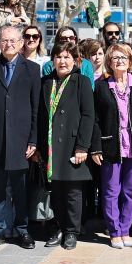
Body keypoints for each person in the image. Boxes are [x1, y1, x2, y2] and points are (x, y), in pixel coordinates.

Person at [0, 24, 41, 250]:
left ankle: (22, 230)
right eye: (4, 40)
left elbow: (36, 109)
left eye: (13, 40)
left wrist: (33, 140)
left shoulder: (32, 69)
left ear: (21, 43)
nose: (9, 44)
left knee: (21, 190)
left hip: (22, 141)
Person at [92, 43, 132, 248]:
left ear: (130, 61)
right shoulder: (101, 86)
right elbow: (96, 120)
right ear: (109, 62)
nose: (120, 61)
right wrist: (96, 147)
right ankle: (114, 231)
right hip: (111, 146)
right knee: (111, 191)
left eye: (124, 58)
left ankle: (125, 230)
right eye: (115, 58)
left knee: (131, 191)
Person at [38, 41, 95, 250]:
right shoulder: (46, 82)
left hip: (72, 145)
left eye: (67, 57)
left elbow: (88, 116)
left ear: (75, 60)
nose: (62, 61)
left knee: (73, 192)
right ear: (52, 60)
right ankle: (58, 227)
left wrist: (82, 146)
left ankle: (72, 231)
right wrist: (37, 146)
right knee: (56, 191)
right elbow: (39, 115)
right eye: (58, 57)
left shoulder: (81, 82)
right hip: (51, 145)